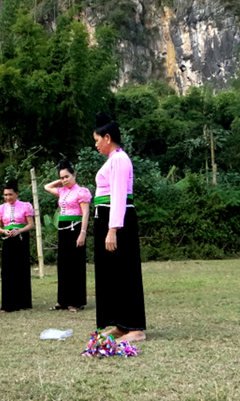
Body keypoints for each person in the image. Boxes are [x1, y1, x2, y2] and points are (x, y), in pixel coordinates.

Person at [93, 112, 146, 342]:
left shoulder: (119, 160)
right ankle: (121, 324)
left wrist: (113, 228)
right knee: (113, 274)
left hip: (118, 221)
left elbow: (118, 196)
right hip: (106, 217)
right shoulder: (111, 160)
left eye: (96, 140)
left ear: (107, 138)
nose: (95, 145)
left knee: (126, 272)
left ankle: (135, 327)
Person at [44, 160, 91, 312]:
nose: (64, 180)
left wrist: (82, 233)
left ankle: (77, 302)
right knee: (63, 265)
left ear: (74, 175)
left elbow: (85, 214)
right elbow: (47, 187)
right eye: (62, 177)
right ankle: (62, 301)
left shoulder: (81, 192)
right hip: (63, 229)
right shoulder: (62, 191)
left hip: (75, 228)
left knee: (75, 265)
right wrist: (62, 180)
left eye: (67, 177)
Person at [0, 178, 34, 313]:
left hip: (21, 239)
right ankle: (7, 304)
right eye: (5, 195)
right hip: (8, 239)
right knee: (7, 271)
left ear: (16, 194)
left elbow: (30, 224)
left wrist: (20, 230)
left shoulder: (25, 206)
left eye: (10, 194)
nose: (8, 197)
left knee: (21, 269)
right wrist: (4, 231)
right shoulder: (0, 208)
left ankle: (22, 302)